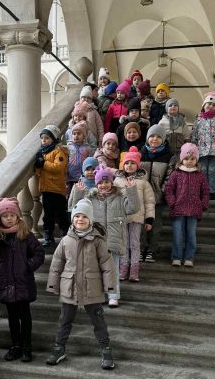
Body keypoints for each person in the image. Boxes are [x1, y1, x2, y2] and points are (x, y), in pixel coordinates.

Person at [45, 198, 116, 370]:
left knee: (98, 321)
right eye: (77, 216)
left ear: (90, 219)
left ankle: (106, 349)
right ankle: (59, 348)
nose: (80, 220)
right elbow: (57, 264)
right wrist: (53, 285)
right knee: (64, 320)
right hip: (70, 287)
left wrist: (109, 287)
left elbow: (107, 265)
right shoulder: (65, 240)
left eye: (84, 216)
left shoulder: (98, 241)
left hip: (92, 288)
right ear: (72, 219)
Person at [0, 197, 45, 362]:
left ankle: (26, 347)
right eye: (5, 216)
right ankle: (15, 346)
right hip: (5, 283)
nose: (9, 218)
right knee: (12, 317)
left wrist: (27, 265)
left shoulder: (25, 234)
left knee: (25, 316)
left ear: (18, 216)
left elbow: (39, 253)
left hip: (22, 283)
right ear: (0, 218)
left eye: (12, 215)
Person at [73, 166, 139, 308]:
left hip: (113, 241)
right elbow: (76, 208)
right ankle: (100, 295)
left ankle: (113, 296)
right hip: (95, 241)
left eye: (107, 182)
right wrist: (79, 192)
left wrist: (131, 190)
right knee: (96, 270)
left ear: (111, 182)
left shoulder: (120, 197)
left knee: (112, 270)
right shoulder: (91, 198)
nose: (104, 185)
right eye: (100, 183)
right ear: (96, 184)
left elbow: (133, 208)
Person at [113, 146, 155, 282]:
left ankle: (134, 271)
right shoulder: (117, 181)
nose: (129, 165)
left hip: (137, 217)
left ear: (138, 166)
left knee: (135, 244)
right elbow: (112, 199)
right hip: (121, 217)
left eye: (132, 163)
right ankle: (123, 268)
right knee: (124, 244)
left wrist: (149, 219)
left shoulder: (143, 182)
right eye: (127, 163)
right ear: (123, 165)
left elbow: (149, 201)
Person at [165, 143, 209, 267]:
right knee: (178, 235)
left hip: (194, 210)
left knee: (191, 235)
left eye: (192, 159)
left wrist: (203, 204)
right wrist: (172, 202)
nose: (189, 161)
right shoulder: (176, 174)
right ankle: (177, 257)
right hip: (178, 210)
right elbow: (169, 189)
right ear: (181, 159)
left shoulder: (200, 175)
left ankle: (189, 257)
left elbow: (205, 191)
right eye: (186, 158)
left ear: (196, 160)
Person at [139, 125, 171, 263]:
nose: (155, 139)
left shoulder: (169, 156)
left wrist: (162, 191)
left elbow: (169, 176)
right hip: (141, 197)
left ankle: (152, 249)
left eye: (158, 137)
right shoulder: (140, 154)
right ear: (147, 138)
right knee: (141, 225)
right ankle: (141, 249)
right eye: (152, 136)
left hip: (158, 198)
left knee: (155, 226)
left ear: (163, 139)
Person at [34, 124, 70, 248]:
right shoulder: (42, 152)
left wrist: (43, 163)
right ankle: (48, 236)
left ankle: (66, 233)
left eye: (47, 138)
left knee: (61, 213)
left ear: (53, 139)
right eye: (42, 138)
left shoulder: (58, 151)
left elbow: (57, 168)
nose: (44, 140)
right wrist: (38, 165)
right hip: (46, 189)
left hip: (57, 189)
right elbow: (39, 172)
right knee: (48, 215)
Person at [66, 122, 92, 195]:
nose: (76, 136)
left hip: (82, 176)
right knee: (70, 194)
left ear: (84, 136)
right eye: (74, 134)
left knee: (80, 194)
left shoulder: (87, 148)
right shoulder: (68, 147)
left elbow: (89, 162)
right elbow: (65, 161)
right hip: (70, 176)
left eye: (79, 134)